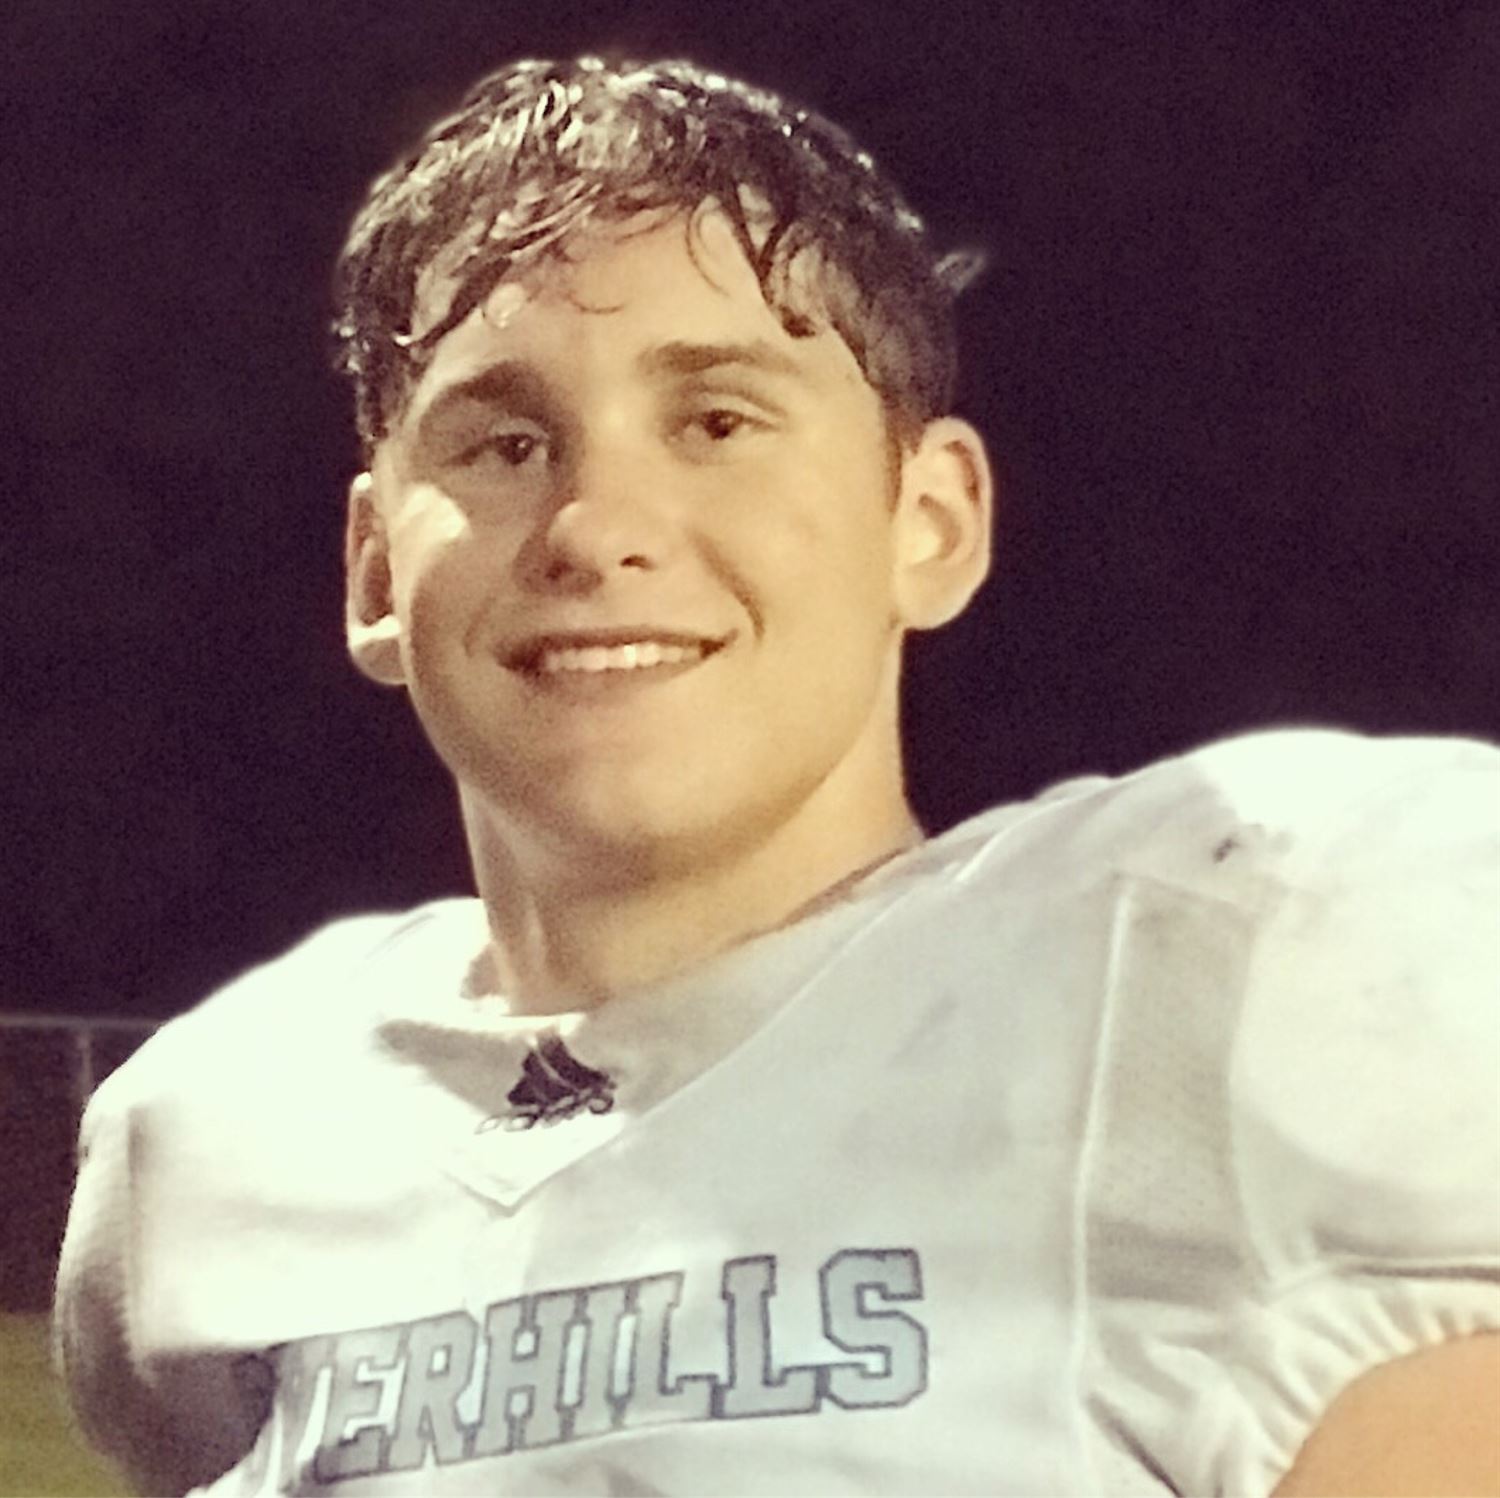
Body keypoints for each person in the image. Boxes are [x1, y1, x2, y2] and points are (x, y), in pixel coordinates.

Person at [53, 55, 1499, 1497]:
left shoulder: (1224, 959)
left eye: (717, 422)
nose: (594, 526)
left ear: (929, 520)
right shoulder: (216, 1142)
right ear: (378, 571)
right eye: (504, 443)